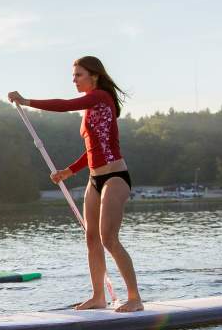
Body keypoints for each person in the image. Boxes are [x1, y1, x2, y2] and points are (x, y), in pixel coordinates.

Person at [8, 56, 142, 312]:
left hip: (115, 177)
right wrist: (68, 171)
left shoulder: (101, 98)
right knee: (91, 238)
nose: (74, 80)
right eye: (73, 76)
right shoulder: (89, 110)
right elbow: (91, 150)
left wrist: (27, 101)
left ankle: (135, 298)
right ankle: (98, 297)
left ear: (94, 75)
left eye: (78, 75)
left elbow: (65, 105)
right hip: (94, 178)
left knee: (109, 239)